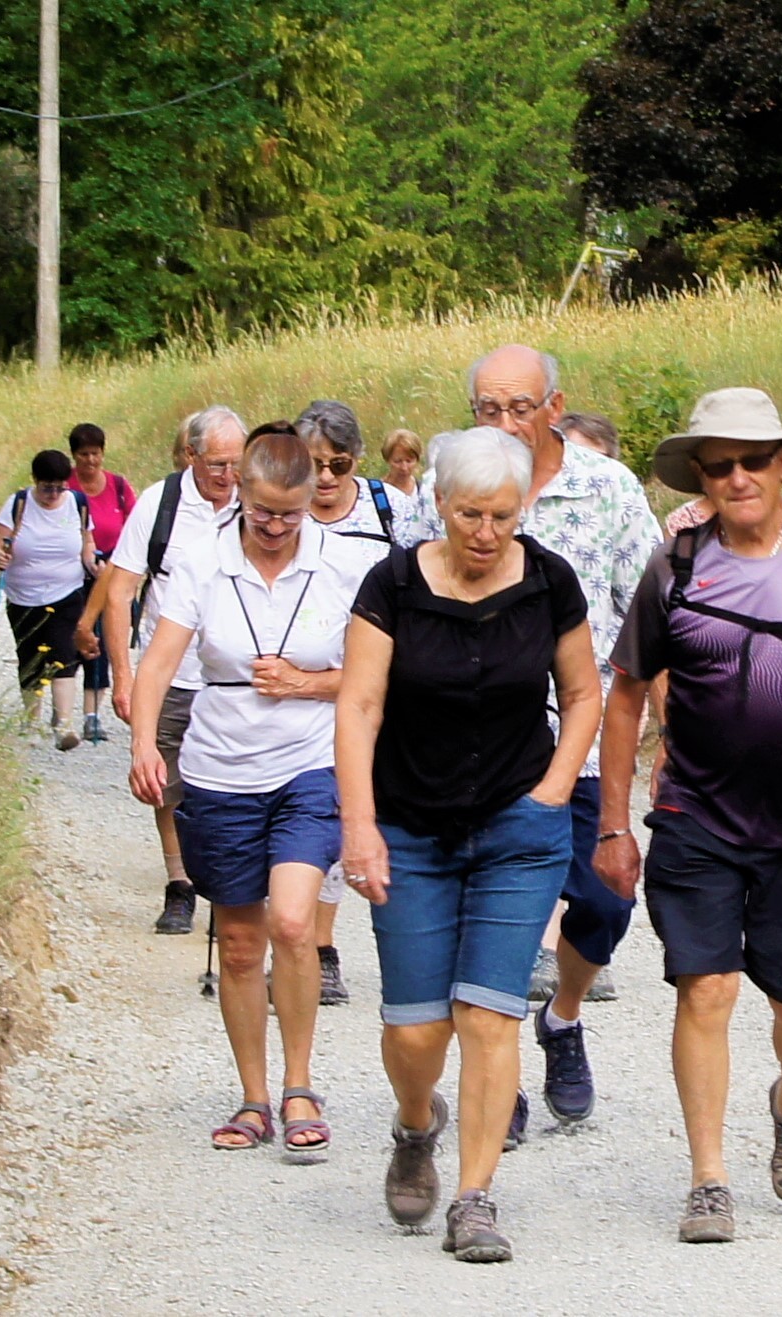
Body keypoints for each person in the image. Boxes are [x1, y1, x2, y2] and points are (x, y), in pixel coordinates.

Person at [596, 386, 782, 1244]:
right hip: (695, 817)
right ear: (700, 475)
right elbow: (624, 700)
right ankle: (707, 1177)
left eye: (752, 460)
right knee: (708, 987)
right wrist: (613, 824)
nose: (737, 477)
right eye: (718, 464)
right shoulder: (678, 566)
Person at [336, 427, 601, 1262]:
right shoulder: (393, 584)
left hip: (517, 831)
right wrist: (358, 826)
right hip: (409, 826)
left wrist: (554, 789)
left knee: (488, 1013)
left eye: (503, 516)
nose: (486, 532)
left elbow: (585, 691)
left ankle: (475, 1197)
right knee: (417, 1029)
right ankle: (416, 1123)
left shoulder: (551, 581)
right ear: (438, 507)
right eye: (468, 514)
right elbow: (358, 708)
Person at [127, 430, 359, 1157]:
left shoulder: (341, 567)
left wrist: (306, 682)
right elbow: (159, 660)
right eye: (262, 512)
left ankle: (299, 1083)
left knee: (292, 922)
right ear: (242, 499)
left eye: (289, 515)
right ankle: (253, 1095)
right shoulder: (205, 561)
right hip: (221, 768)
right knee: (236, 942)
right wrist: (141, 744)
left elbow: (378, 677)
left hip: (308, 765)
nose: (275, 527)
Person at [465, 345, 662, 1125]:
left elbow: (651, 615)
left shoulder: (606, 488)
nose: (506, 423)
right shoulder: (457, 482)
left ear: (554, 406)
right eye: (488, 408)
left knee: (606, 900)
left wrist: (669, 726)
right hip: (480, 746)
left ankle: (564, 1015)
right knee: (498, 914)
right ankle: (498, 1076)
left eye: (521, 406)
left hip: (587, 743)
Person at [92, 406, 245, 935]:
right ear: (191, 456)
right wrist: (124, 676)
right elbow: (120, 591)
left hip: (238, 676)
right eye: (218, 465)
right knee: (169, 785)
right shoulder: (161, 503)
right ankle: (180, 884)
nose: (230, 477)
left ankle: (230, 886)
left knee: (236, 784)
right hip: (173, 674)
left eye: (237, 464)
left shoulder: (258, 503)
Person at [296, 400, 429, 1007]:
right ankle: (318, 950)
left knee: (368, 812)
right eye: (312, 465)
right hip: (296, 692)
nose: (323, 479)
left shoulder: (391, 510)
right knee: (318, 820)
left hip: (378, 691)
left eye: (337, 465)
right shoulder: (277, 509)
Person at [0, 449, 98, 750]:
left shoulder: (77, 504)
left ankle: (63, 725)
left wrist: (92, 563)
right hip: (24, 596)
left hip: (67, 592)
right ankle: (31, 721)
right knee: (31, 656)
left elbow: (87, 543)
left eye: (59, 486)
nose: (53, 493)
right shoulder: (18, 503)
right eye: (47, 487)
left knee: (64, 655)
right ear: (35, 481)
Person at [66, 424, 137, 744]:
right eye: (84, 454)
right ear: (74, 455)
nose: (91, 460)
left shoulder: (119, 487)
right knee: (72, 641)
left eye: (96, 453)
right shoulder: (64, 487)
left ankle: (92, 716)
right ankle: (63, 710)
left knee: (107, 643)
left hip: (115, 571)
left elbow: (136, 529)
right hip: (70, 573)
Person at [381, 429, 423, 497]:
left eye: (409, 461)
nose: (404, 467)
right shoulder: (378, 493)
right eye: (397, 461)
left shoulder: (424, 491)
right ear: (387, 460)